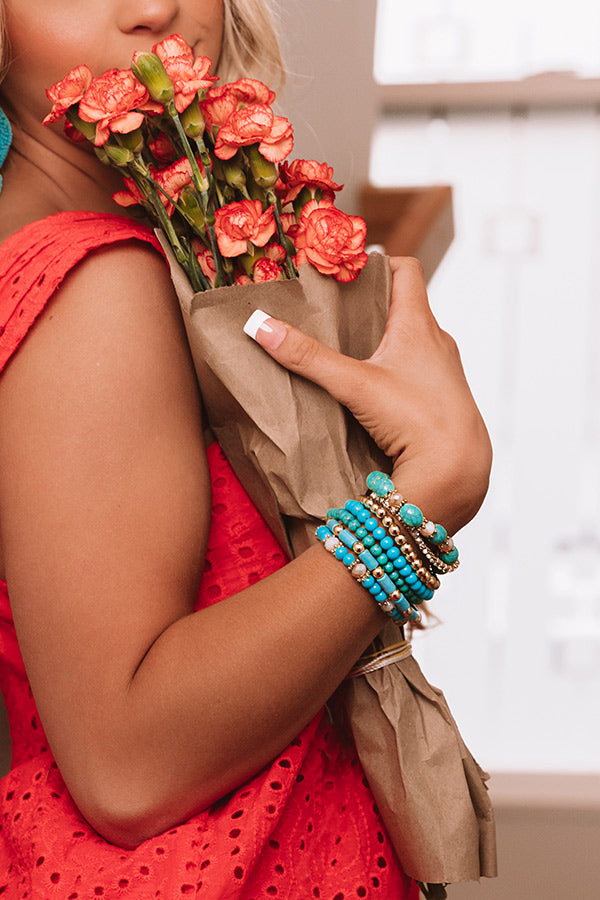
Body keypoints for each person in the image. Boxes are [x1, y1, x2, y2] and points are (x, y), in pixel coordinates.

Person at [0, 0, 492, 897]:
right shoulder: (94, 285)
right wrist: (424, 496)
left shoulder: (141, 257)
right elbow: (126, 764)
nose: (153, 8)